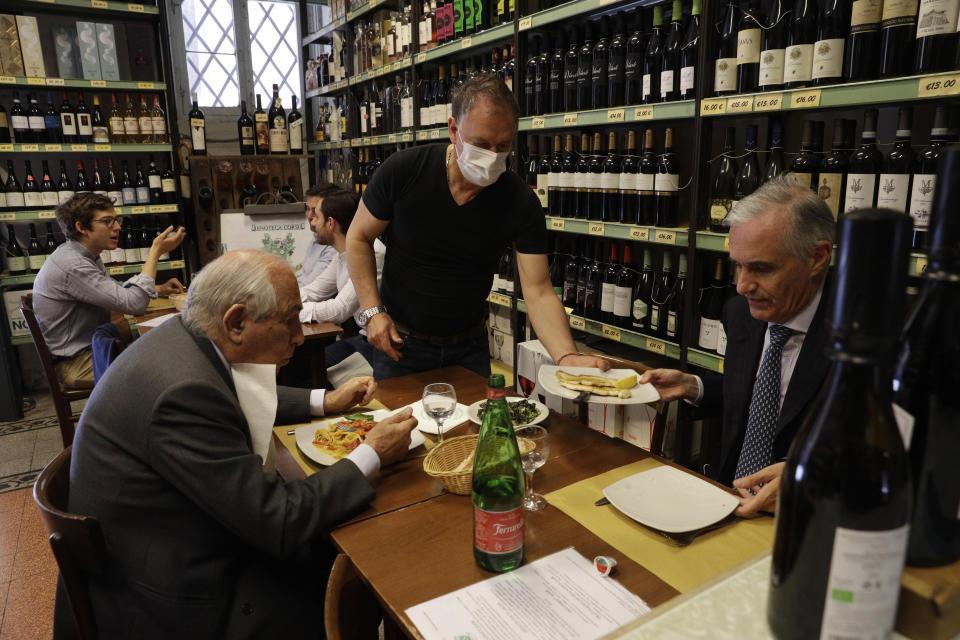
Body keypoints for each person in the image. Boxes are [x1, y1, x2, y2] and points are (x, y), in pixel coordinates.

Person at [67, 249, 418, 639]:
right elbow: (278, 521)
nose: (300, 338)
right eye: (289, 321)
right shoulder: (182, 393)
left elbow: (232, 387)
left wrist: (324, 400)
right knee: (356, 569)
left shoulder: (187, 336)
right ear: (235, 322)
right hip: (175, 598)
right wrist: (372, 453)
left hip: (161, 543)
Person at [346, 73, 608, 379]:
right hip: (400, 346)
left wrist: (567, 356)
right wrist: (373, 313)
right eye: (481, 144)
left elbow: (538, 291)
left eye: (502, 146)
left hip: (469, 349)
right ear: (453, 129)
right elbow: (358, 238)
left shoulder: (519, 201)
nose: (492, 157)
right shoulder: (404, 171)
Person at [639, 177, 834, 517]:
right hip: (727, 500)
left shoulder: (868, 338)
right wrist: (692, 386)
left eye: (761, 268)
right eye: (738, 265)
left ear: (817, 257)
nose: (743, 286)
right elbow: (761, 396)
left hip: (809, 518)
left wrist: (811, 473)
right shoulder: (741, 313)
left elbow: (894, 451)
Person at [32, 193, 186, 389]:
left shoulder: (83, 255)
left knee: (160, 350)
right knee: (163, 362)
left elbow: (113, 290)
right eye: (107, 221)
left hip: (90, 349)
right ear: (81, 227)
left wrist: (158, 288)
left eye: (116, 219)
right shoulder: (73, 266)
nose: (117, 227)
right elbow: (135, 305)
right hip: (77, 364)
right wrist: (155, 252)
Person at [299, 189, 386, 367]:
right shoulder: (342, 253)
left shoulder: (373, 252)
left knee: (309, 367)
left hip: (380, 344)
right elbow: (314, 290)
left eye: (317, 216)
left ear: (330, 223)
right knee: (299, 363)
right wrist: (280, 304)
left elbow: (339, 309)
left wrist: (294, 312)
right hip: (364, 338)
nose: (312, 222)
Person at [298, 183, 340, 286]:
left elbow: (314, 287)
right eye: (307, 209)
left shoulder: (334, 245)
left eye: (315, 211)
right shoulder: (316, 237)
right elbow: (304, 279)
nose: (309, 216)